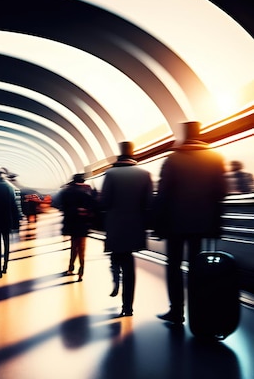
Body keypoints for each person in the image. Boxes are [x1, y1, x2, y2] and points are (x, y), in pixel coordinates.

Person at [153, 121, 227, 325]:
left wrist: (157, 223)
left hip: (175, 224)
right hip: (203, 224)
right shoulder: (215, 157)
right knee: (198, 266)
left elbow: (163, 194)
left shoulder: (173, 160)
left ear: (183, 135)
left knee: (174, 266)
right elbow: (221, 192)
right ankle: (200, 311)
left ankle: (177, 310)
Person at [100, 142, 153, 317]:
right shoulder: (145, 174)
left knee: (116, 256)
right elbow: (148, 204)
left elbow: (105, 202)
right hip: (135, 226)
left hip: (115, 226)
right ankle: (128, 307)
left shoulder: (111, 174)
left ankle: (116, 280)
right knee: (129, 265)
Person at [59, 173, 96, 282]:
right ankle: (81, 271)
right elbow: (94, 206)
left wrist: (74, 210)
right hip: (83, 223)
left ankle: (71, 267)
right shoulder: (88, 191)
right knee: (82, 248)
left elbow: (63, 207)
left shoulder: (67, 191)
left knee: (73, 246)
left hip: (71, 222)